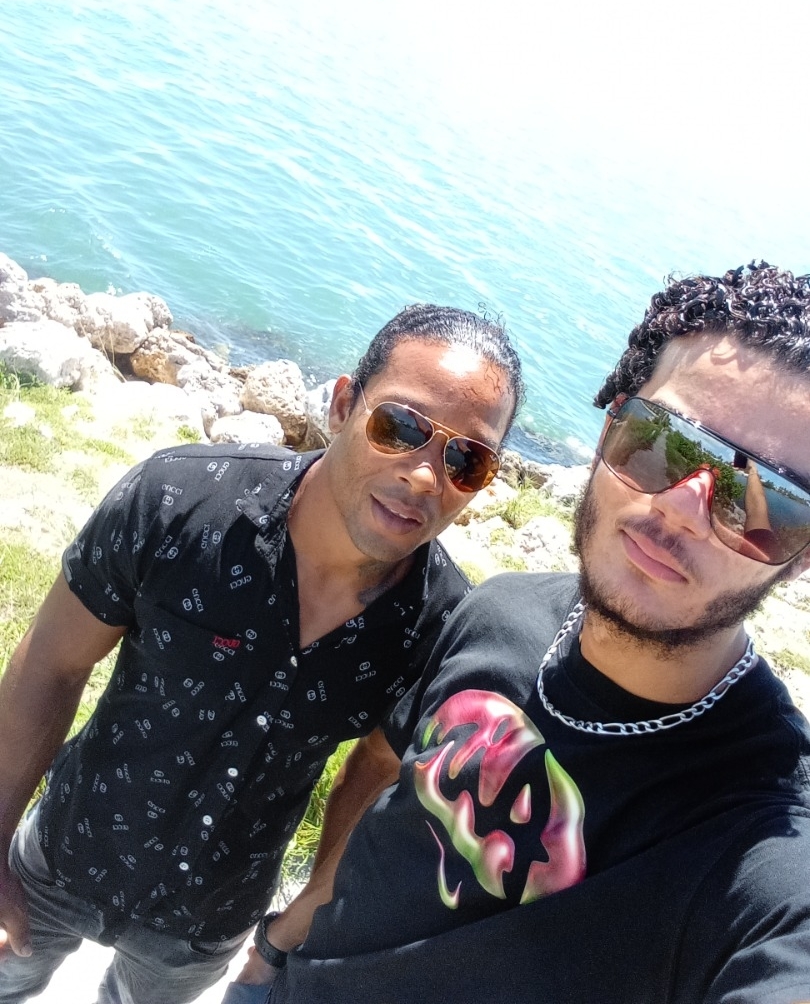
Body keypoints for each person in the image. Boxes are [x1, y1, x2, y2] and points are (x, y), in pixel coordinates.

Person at [266, 262, 810, 1004]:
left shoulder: (762, 841)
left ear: (803, 556)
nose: (682, 506)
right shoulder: (500, 608)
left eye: (767, 501)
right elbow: (385, 765)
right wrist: (283, 938)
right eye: (664, 440)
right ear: (608, 427)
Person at [0, 303, 524, 1004]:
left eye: (467, 460)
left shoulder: (436, 629)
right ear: (342, 405)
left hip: (209, 918)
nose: (426, 477)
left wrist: (300, 925)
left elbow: (376, 769)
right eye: (401, 427)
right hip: (65, 850)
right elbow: (52, 663)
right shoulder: (179, 503)